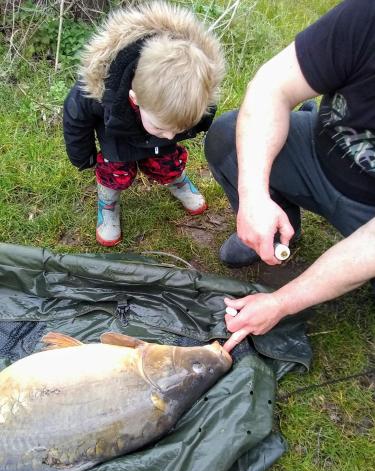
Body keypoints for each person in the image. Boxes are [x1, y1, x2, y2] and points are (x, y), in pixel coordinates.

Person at [204, 0, 375, 352]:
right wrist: (253, 198)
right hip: (317, 151)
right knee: (227, 137)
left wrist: (282, 302)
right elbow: (272, 87)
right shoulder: (367, 17)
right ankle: (276, 227)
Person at [63, 1, 225, 247]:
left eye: (178, 128)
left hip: (157, 147)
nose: (170, 135)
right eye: (162, 127)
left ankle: (177, 181)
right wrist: (82, 156)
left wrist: (191, 125)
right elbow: (75, 119)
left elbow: (200, 115)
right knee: (116, 173)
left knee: (168, 162)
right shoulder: (101, 89)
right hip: (117, 138)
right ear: (134, 99)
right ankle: (108, 202)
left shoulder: (195, 87)